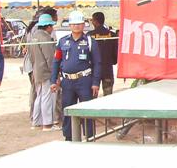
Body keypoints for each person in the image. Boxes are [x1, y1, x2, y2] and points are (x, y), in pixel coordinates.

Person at [50, 10, 101, 141]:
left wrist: (95, 83)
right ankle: (68, 138)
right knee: (67, 110)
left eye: (79, 23)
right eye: (73, 24)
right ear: (70, 25)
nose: (76, 26)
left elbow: (97, 63)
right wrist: (53, 80)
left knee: (87, 111)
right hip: (67, 82)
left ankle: (89, 138)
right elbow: (56, 62)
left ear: (83, 25)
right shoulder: (62, 42)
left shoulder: (90, 42)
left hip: (85, 81)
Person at [30, 14, 59, 130]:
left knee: (39, 96)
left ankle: (36, 121)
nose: (52, 29)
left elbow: (31, 57)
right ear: (48, 26)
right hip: (46, 72)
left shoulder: (34, 36)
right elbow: (50, 58)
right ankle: (47, 124)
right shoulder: (45, 38)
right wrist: (55, 74)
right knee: (48, 97)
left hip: (36, 71)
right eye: (51, 26)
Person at [88, 12, 118, 96]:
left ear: (95, 21)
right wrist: (112, 61)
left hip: (93, 71)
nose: (92, 22)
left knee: (93, 97)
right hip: (107, 70)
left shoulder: (89, 35)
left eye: (92, 20)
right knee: (108, 97)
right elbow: (115, 53)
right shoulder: (112, 35)